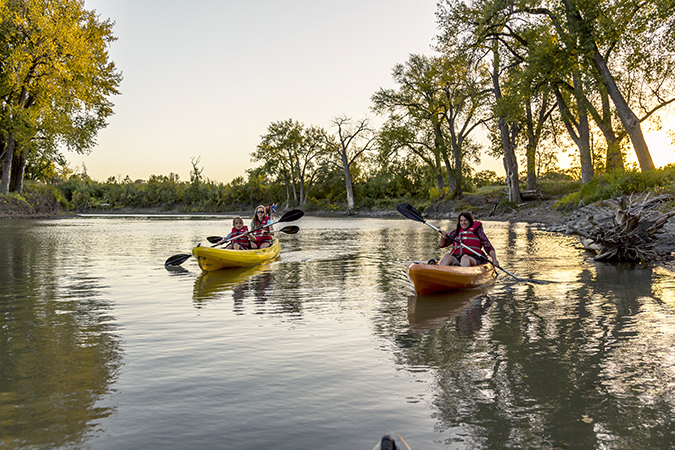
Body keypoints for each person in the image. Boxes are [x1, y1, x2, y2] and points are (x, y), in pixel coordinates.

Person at [435, 211, 499, 267]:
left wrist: (494, 260)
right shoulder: (456, 232)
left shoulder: (477, 232)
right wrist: (442, 237)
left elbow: (489, 247)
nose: (463, 223)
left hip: (474, 258)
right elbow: (441, 245)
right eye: (461, 220)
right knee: (447, 256)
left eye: (465, 220)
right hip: (457, 258)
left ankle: (461, 272)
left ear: (470, 221)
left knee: (465, 257)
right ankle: (438, 270)